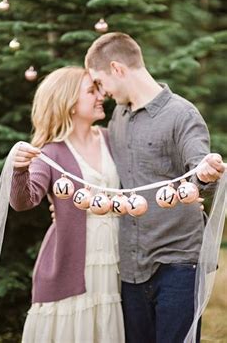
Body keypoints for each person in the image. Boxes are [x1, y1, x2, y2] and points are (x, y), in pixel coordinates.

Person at [82, 32, 225, 343]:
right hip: (131, 266)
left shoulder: (182, 114)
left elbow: (199, 170)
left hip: (178, 263)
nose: (101, 92)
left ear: (117, 69)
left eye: (100, 81)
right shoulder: (118, 117)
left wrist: (206, 172)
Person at [10, 66, 125, 343]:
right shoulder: (50, 152)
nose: (101, 96)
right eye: (91, 91)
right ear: (68, 103)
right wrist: (19, 170)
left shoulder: (112, 138)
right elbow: (24, 201)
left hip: (114, 264)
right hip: (72, 269)